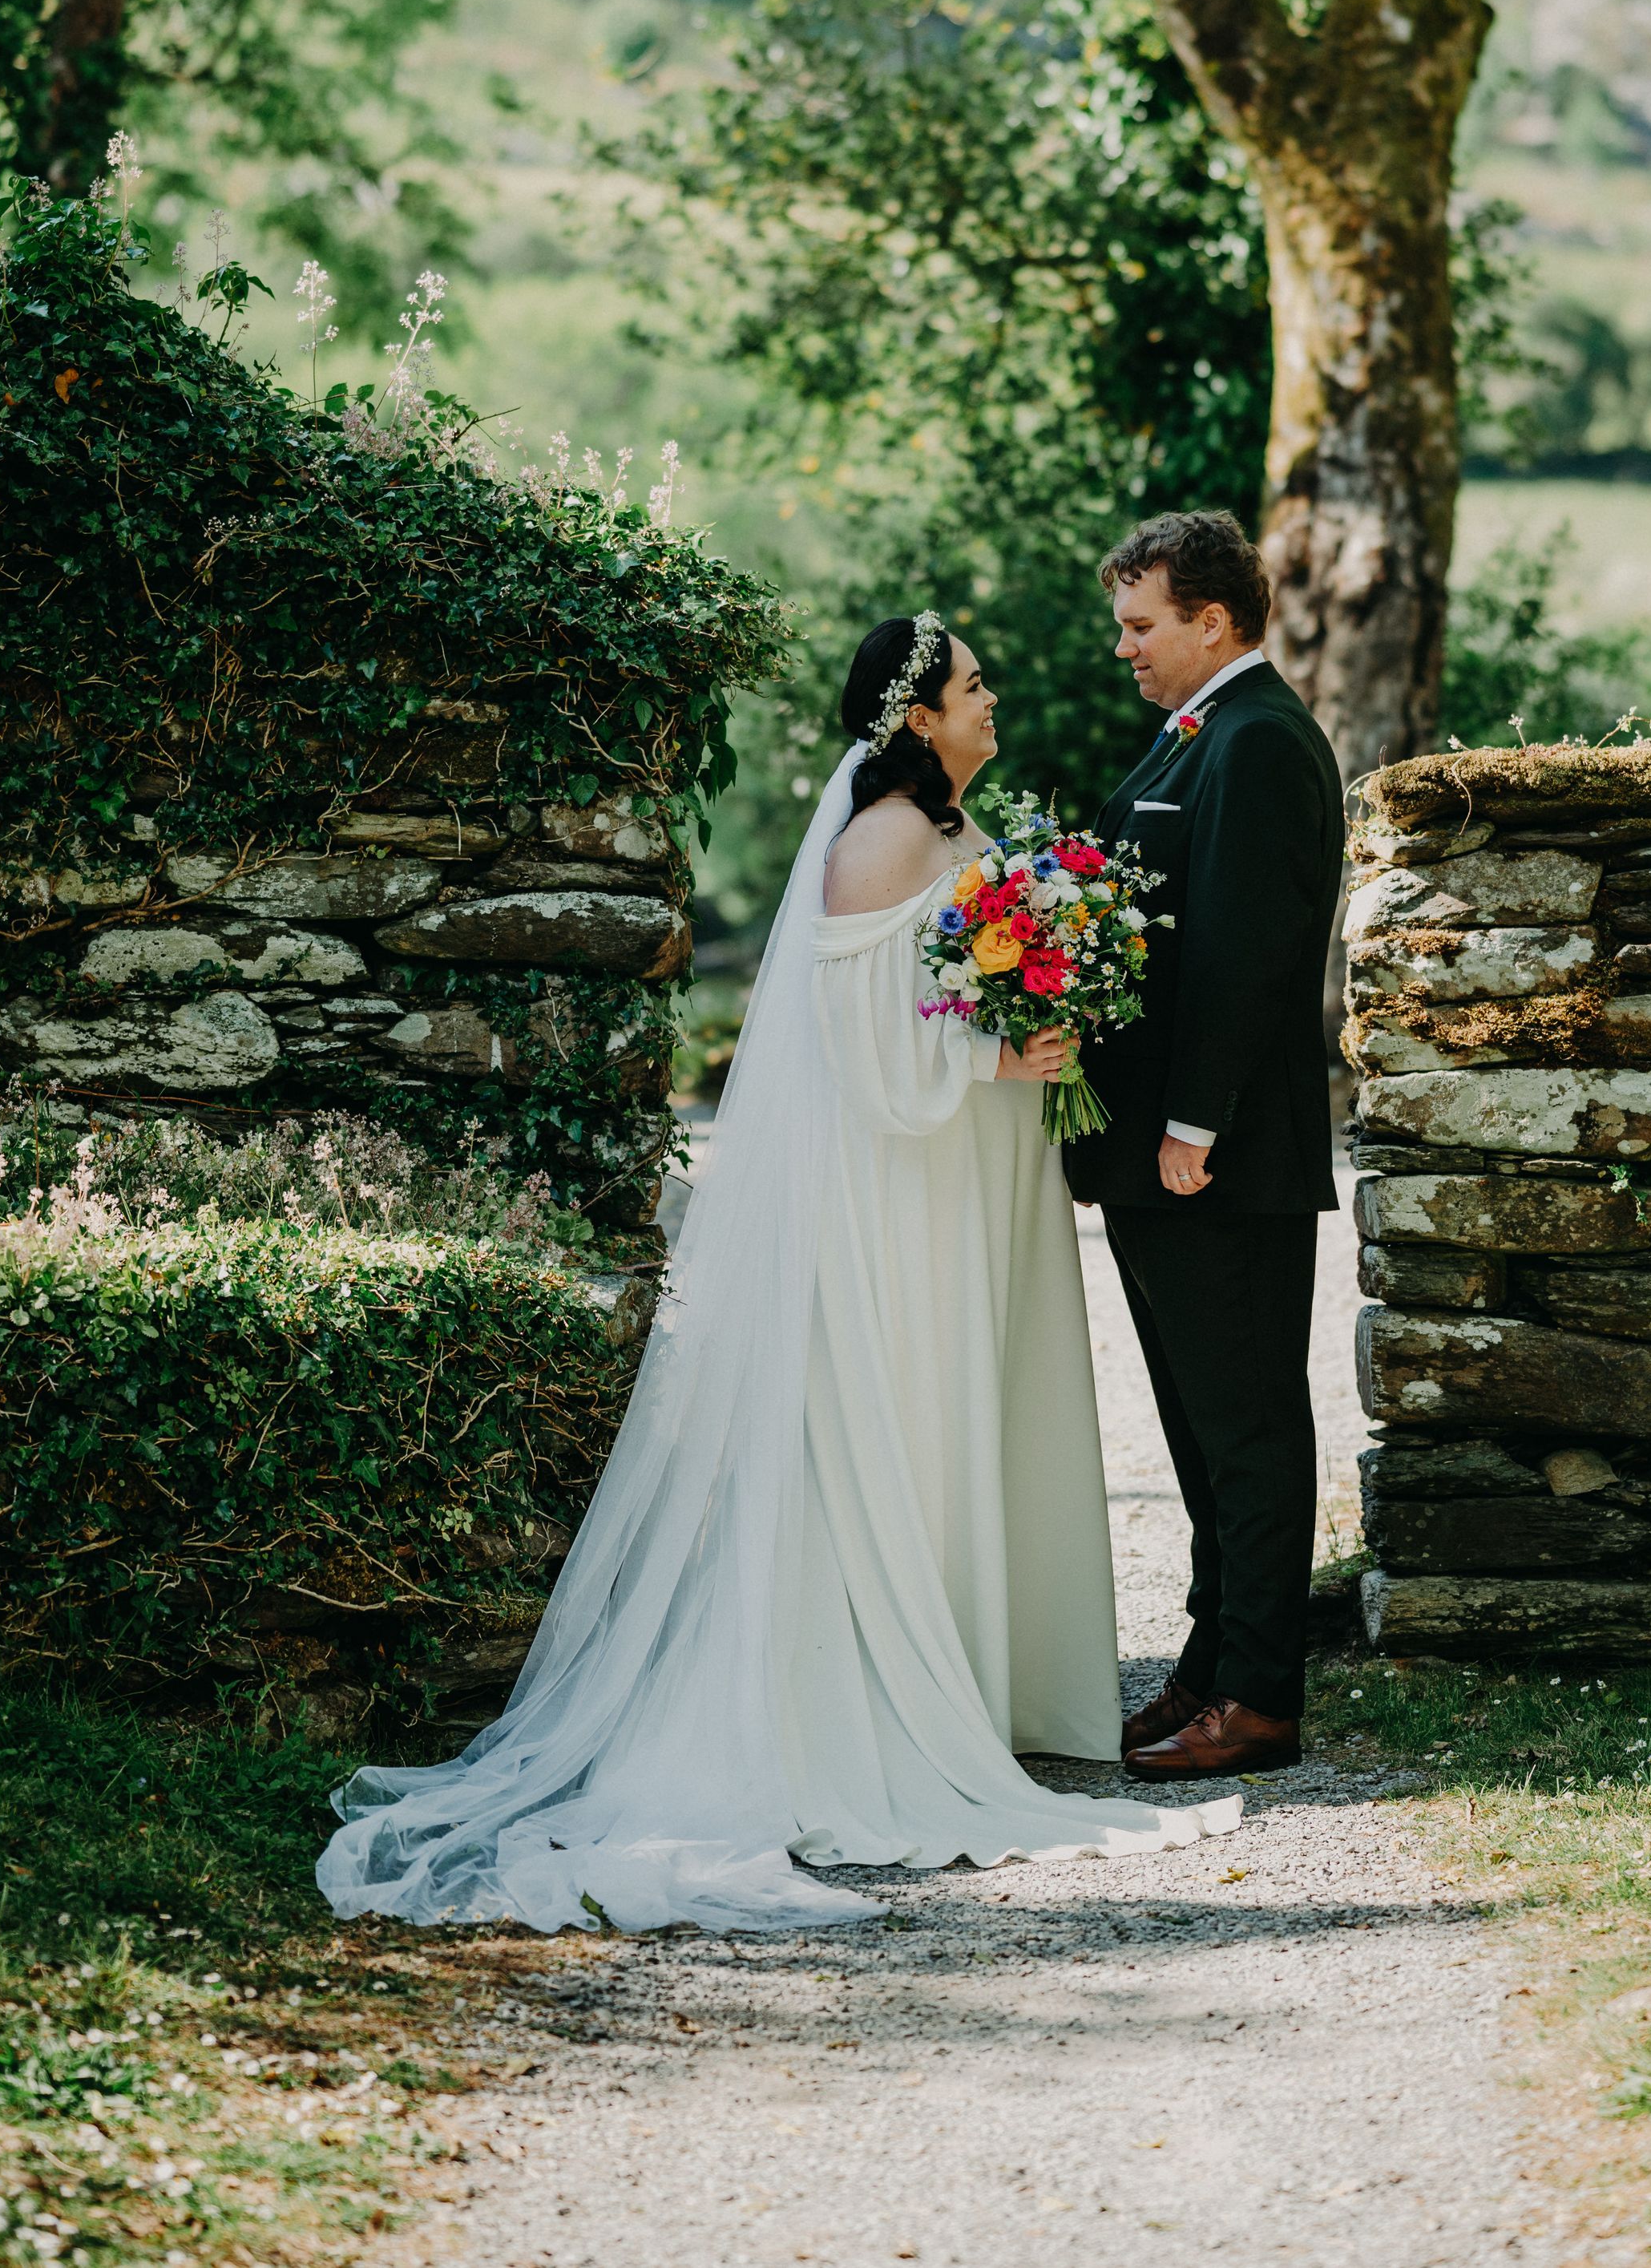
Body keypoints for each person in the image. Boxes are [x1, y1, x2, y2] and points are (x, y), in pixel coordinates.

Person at [316, 612, 1236, 1934]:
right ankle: (852, 1709)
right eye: (976, 684)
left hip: (969, 1179)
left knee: (967, 1409)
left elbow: (952, 985)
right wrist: (996, 1056)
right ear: (919, 715)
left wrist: (1039, 1003)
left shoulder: (948, 830)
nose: (995, 698)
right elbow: (854, 1040)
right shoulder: (877, 843)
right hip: (897, 1196)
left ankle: (979, 1685)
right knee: (904, 1414)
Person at [1066, 511, 1346, 1783]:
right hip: (1161, 1157)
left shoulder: (1266, 744)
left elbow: (1245, 949)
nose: (1124, 649)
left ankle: (1263, 1701)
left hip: (1217, 1158)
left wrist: (1192, 1125)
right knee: (1193, 1424)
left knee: (1247, 1428)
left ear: (1212, 622)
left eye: (1142, 626)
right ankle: (1209, 1665)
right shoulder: (1200, 732)